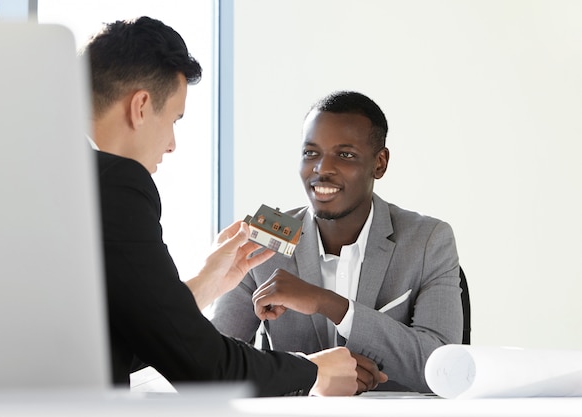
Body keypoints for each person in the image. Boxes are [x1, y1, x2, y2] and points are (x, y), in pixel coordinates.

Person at [80, 17, 386, 397]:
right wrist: (311, 371)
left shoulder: (52, 176)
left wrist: (207, 282)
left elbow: (114, 340)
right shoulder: (118, 184)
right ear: (141, 105)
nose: (172, 144)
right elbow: (204, 365)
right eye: (175, 119)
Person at [210, 90, 463, 393]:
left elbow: (446, 368)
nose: (322, 169)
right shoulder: (265, 239)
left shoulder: (428, 240)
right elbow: (211, 365)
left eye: (344, 155)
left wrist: (330, 304)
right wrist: (310, 373)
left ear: (379, 163)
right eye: (311, 153)